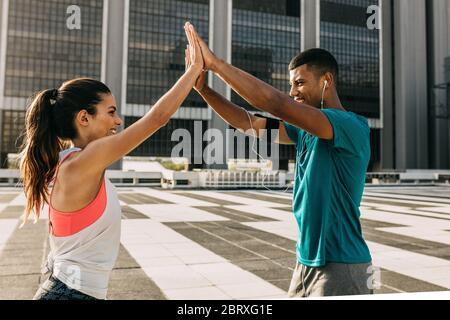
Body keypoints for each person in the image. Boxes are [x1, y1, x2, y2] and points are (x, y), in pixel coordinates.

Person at [184, 22, 373, 297]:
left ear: (326, 81)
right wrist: (204, 90)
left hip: (343, 264)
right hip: (305, 262)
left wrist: (216, 64)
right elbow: (249, 123)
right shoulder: (305, 131)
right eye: (290, 84)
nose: (293, 91)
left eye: (300, 83)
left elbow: (276, 104)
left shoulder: (350, 126)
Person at [19, 23, 203, 300]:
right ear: (84, 118)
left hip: (73, 292)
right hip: (70, 294)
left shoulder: (71, 163)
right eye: (111, 112)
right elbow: (156, 119)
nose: (118, 120)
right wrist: (193, 71)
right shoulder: (81, 162)